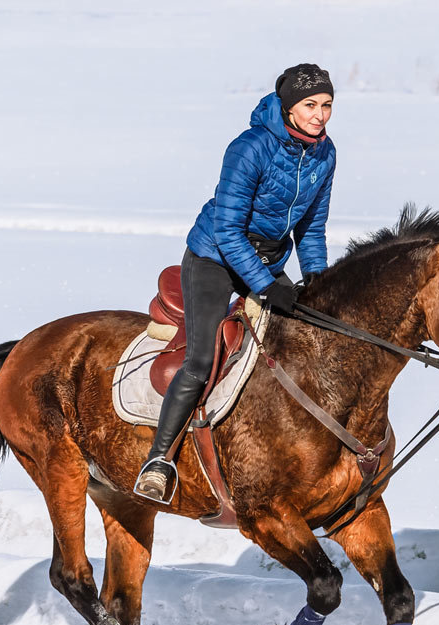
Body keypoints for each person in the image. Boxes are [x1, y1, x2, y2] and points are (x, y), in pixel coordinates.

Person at [134, 64, 337, 501]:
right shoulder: (250, 148)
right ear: (287, 107)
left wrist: (317, 277)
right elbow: (228, 230)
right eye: (309, 106)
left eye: (326, 105)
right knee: (202, 358)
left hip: (267, 258)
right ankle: (159, 459)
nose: (319, 115)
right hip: (214, 256)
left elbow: (312, 227)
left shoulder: (326, 153)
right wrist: (266, 285)